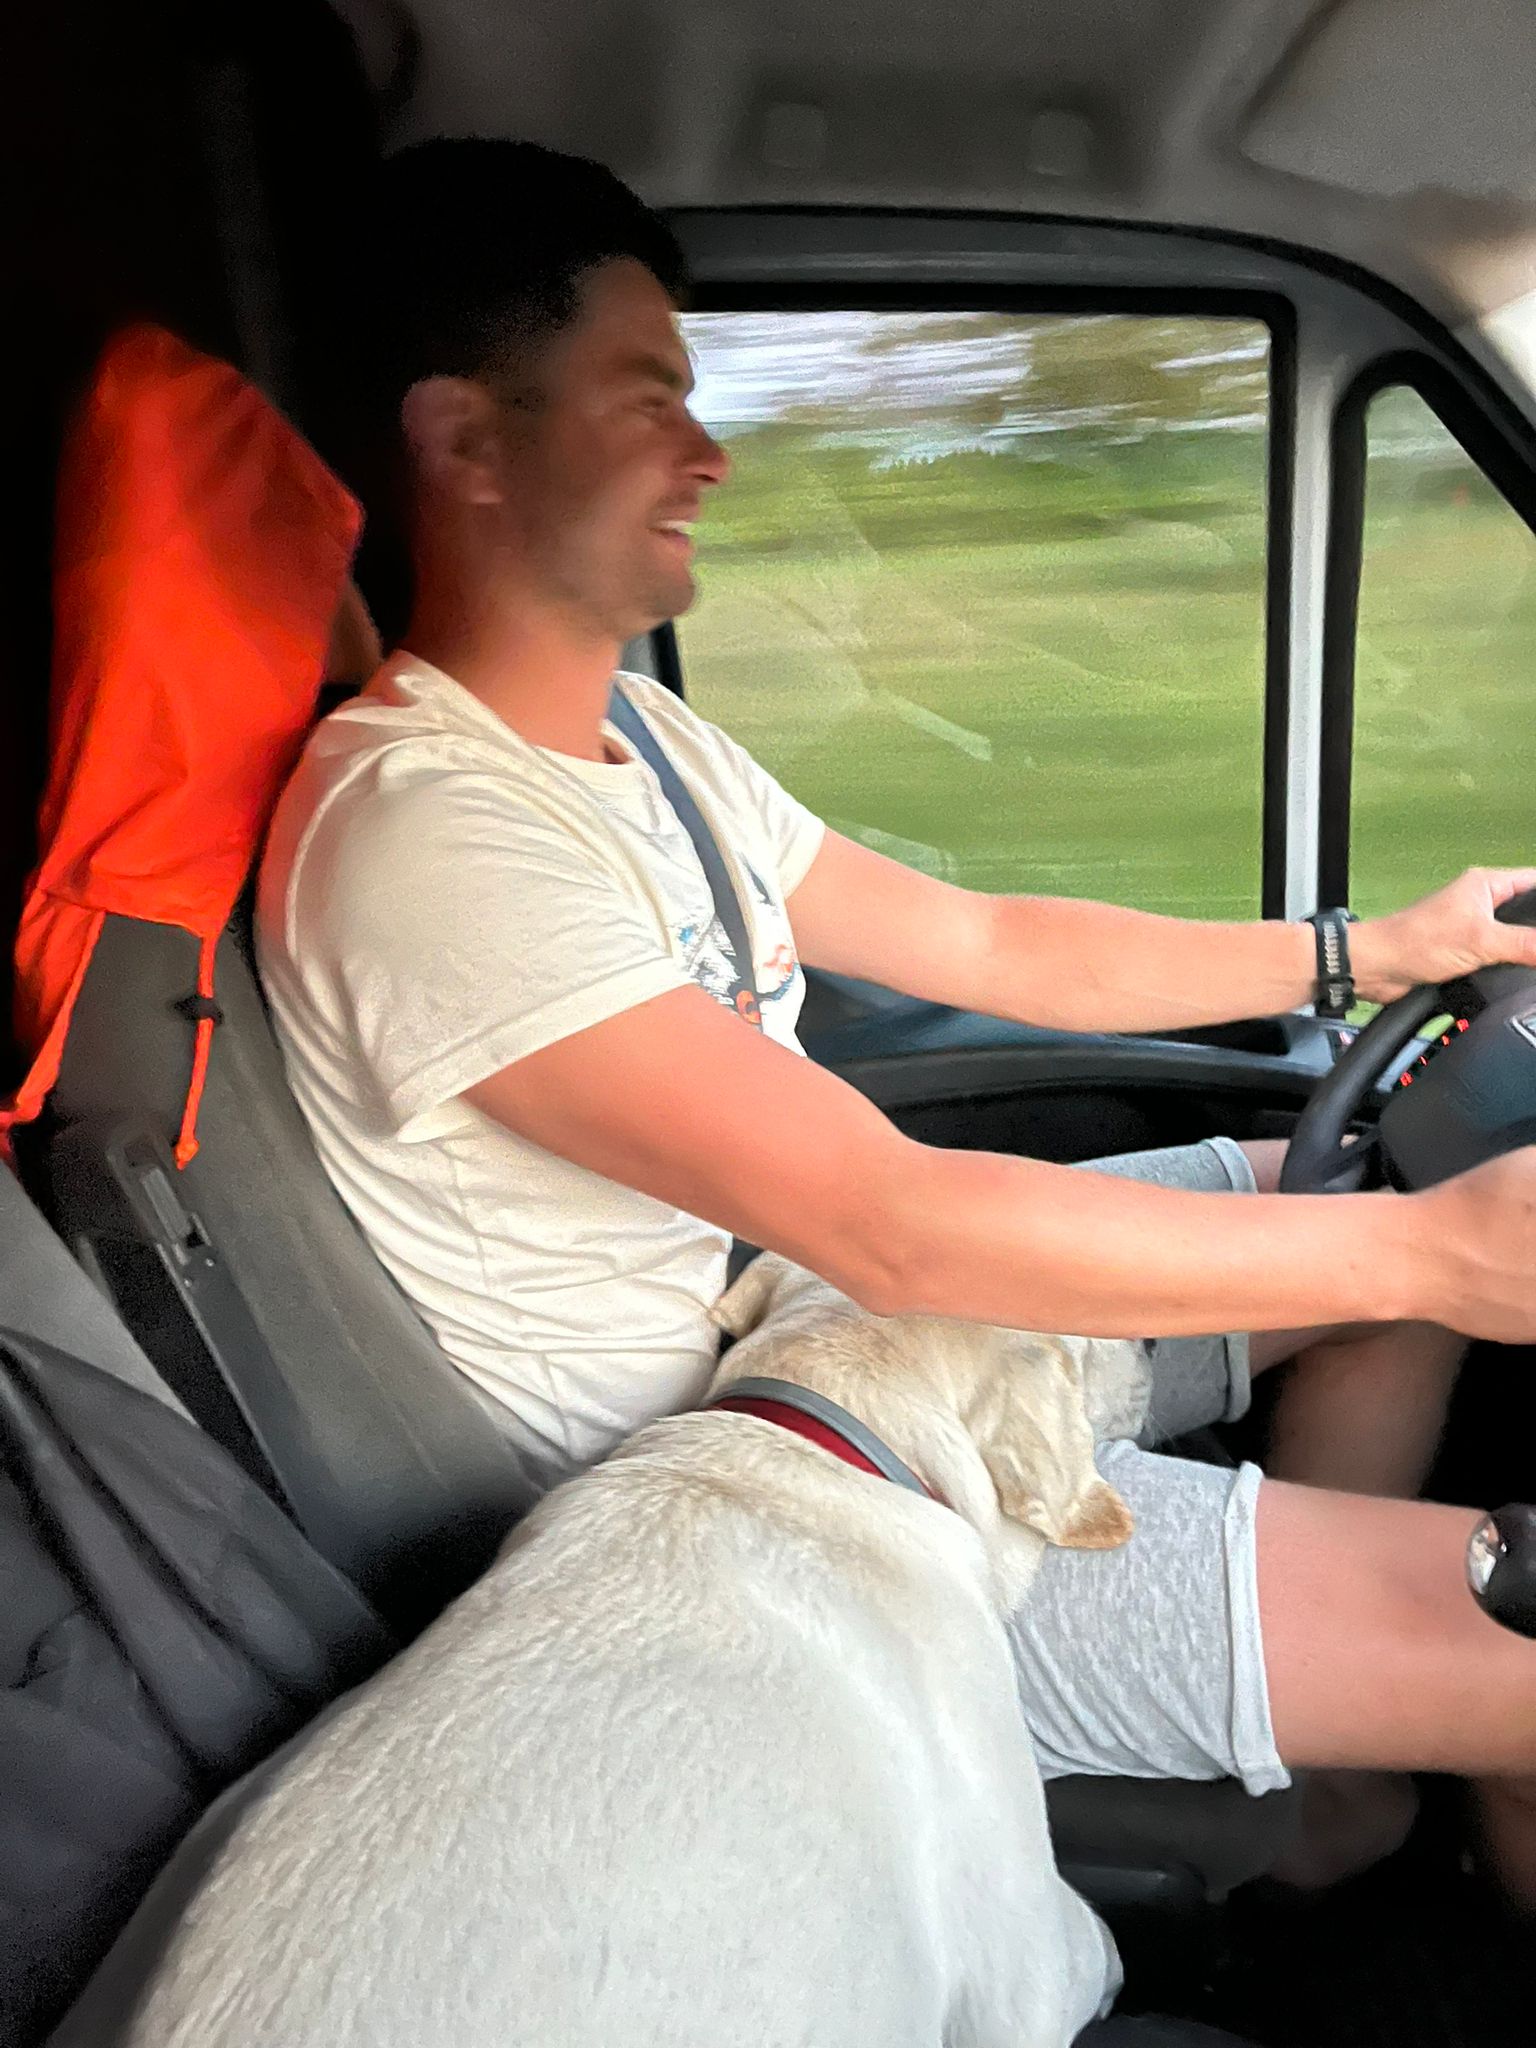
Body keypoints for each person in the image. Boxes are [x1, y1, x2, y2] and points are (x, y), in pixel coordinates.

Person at [256, 136, 1536, 1909]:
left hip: (841, 1334)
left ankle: (1333, 1781)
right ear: (466, 442)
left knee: (1382, 1188)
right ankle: (1359, 1774)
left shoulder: (647, 744)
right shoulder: (427, 837)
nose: (710, 453)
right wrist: (1439, 1254)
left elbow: (990, 940)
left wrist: (1367, 947)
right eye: (647, 399)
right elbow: (894, 1220)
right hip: (762, 1500)